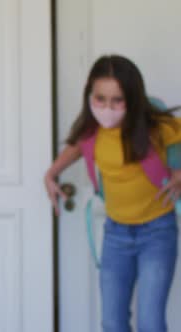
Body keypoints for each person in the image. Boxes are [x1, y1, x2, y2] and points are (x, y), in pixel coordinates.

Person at [45, 55, 181, 332]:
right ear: (89, 96)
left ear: (133, 98)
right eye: (100, 99)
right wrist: (50, 174)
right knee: (112, 322)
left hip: (157, 233)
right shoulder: (91, 133)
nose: (108, 108)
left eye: (118, 100)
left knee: (150, 323)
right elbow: (74, 149)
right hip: (116, 235)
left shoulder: (158, 127)